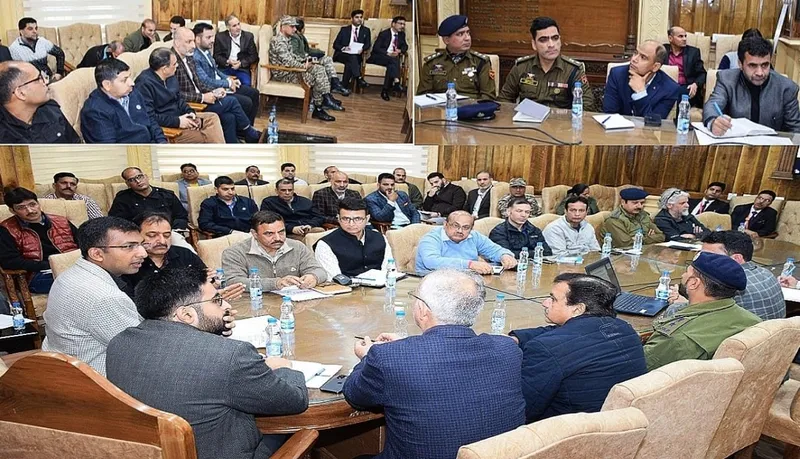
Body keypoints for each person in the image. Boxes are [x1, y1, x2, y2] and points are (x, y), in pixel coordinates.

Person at [107, 265, 308, 459]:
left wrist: (213, 332)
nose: (227, 306)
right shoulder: (232, 356)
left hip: (150, 451)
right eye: (217, 301)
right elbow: (295, 401)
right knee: (297, 427)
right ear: (186, 314)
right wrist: (284, 368)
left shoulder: (119, 343)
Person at [343, 269, 525, 459]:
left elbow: (354, 395)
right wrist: (403, 348)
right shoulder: (508, 350)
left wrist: (367, 356)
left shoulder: (387, 358)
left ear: (422, 310)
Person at [510, 273, 646, 422]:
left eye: (553, 299)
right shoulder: (625, 329)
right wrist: (517, 338)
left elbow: (522, 410)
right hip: (620, 423)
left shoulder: (546, 349)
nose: (545, 303)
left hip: (566, 430)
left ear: (578, 309)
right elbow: (562, 332)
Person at [41, 217, 146, 375]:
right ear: (97, 253)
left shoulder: (69, 274)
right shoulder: (105, 297)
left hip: (62, 367)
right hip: (95, 379)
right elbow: (143, 349)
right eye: (129, 246)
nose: (143, 253)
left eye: (141, 244)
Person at [643, 252, 761, 370]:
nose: (683, 275)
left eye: (686, 272)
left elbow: (638, 370)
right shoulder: (755, 322)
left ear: (693, 283)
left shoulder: (677, 339)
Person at [667, 231, 785, 321]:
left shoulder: (729, 284)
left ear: (737, 258)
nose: (702, 260)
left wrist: (680, 303)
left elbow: (692, 317)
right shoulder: (767, 273)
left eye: (710, 256)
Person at [171, 27, 261, 143]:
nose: (193, 45)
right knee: (233, 101)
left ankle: (234, 144)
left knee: (229, 117)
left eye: (193, 41)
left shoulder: (188, 58)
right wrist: (203, 97)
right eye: (189, 42)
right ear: (177, 43)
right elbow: (176, 95)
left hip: (203, 98)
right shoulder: (171, 63)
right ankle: (249, 132)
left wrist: (214, 91)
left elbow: (199, 83)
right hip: (192, 105)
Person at [704, 36, 800, 135]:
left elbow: (795, 131)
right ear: (740, 64)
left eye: (765, 65)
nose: (760, 73)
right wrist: (713, 122)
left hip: (772, 143)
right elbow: (712, 105)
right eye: (752, 65)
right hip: (735, 141)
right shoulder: (727, 80)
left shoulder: (787, 88)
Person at [499, 17, 594, 110]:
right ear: (534, 44)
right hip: (527, 118)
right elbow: (504, 100)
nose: (551, 45)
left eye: (555, 38)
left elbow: (587, 106)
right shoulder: (521, 67)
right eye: (543, 40)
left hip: (560, 120)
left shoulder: (573, 70)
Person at [135, 47, 225, 145]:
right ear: (164, 69)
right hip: (168, 127)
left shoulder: (170, 76)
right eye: (174, 64)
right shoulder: (144, 84)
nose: (177, 65)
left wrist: (190, 113)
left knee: (212, 118)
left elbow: (179, 99)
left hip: (181, 117)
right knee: (207, 136)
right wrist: (178, 122)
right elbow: (149, 117)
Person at [221, 211, 327, 290]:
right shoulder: (235, 252)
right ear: (254, 234)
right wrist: (276, 283)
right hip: (255, 303)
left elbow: (319, 271)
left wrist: (313, 277)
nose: (277, 238)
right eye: (269, 234)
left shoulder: (297, 247)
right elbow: (234, 281)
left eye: (281, 232)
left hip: (293, 303)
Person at [0, 187, 78, 294]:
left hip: (72, 266)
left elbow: (84, 243)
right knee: (73, 282)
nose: (30, 210)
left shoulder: (61, 221)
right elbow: (10, 261)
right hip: (36, 274)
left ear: (38, 203)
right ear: (12, 211)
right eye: (21, 208)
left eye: (32, 204)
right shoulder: (6, 229)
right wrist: (51, 265)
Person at [270, 16, 341, 121]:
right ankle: (320, 105)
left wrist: (305, 61)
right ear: (283, 27)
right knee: (315, 76)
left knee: (319, 69)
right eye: (292, 27)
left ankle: (323, 101)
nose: (295, 29)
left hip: (291, 70)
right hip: (284, 74)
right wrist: (303, 66)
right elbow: (287, 62)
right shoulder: (278, 41)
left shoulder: (286, 39)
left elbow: (292, 57)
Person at [80, 58, 167, 143]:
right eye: (124, 80)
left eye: (129, 77)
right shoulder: (95, 111)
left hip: (150, 145)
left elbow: (150, 120)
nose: (132, 83)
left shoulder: (132, 93)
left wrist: (162, 142)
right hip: (129, 151)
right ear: (107, 85)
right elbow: (109, 148)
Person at [121, 212, 207, 291]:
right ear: (137, 236)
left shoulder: (185, 254)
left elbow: (207, 280)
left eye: (167, 235)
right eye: (152, 235)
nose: (162, 241)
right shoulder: (129, 262)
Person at [193, 23, 260, 125]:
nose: (212, 40)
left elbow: (216, 71)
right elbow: (206, 81)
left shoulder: (206, 51)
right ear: (198, 39)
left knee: (254, 93)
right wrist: (227, 83)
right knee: (247, 102)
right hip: (214, 89)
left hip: (222, 84)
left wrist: (229, 79)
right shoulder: (195, 57)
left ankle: (248, 127)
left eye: (212, 37)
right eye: (208, 37)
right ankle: (245, 129)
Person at [314, 197, 393, 281]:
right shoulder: (325, 245)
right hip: (347, 288)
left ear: (367, 219)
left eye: (357, 219)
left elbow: (389, 269)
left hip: (381, 286)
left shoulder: (380, 238)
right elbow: (335, 279)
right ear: (338, 219)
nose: (351, 224)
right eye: (345, 219)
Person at [417, 15, 495, 99]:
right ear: (446, 40)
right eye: (460, 34)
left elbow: (488, 96)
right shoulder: (432, 63)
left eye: (468, 33)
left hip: (471, 105)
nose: (467, 38)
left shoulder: (480, 62)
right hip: (440, 106)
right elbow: (423, 96)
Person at [0, 61, 80, 143]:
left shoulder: (50, 109)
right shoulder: (4, 136)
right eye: (39, 79)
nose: (46, 81)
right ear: (21, 93)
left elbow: (75, 144)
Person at [416, 210, 517, 274]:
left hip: (466, 280)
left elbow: (494, 250)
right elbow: (431, 261)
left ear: (471, 228)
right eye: (455, 226)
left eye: (466, 227)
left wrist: (504, 256)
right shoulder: (431, 238)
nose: (460, 231)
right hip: (433, 282)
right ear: (445, 224)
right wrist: (470, 264)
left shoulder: (474, 236)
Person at [603, 40, 680, 119]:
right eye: (635, 53)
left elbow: (653, 122)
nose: (634, 59)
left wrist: (640, 93)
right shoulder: (617, 74)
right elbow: (609, 114)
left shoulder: (670, 89)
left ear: (655, 67)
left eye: (643, 57)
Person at [109, 167, 189, 235]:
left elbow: (181, 216)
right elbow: (116, 221)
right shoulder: (123, 198)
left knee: (183, 248)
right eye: (132, 180)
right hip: (138, 235)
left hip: (168, 233)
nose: (138, 181)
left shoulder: (167, 195)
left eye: (139, 177)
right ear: (128, 184)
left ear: (146, 177)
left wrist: (172, 232)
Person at [290, 19, 350, 97]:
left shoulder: (300, 36)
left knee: (327, 59)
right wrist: (310, 56)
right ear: (302, 29)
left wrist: (319, 51)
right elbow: (296, 53)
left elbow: (306, 49)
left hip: (306, 57)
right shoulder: (295, 38)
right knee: (325, 62)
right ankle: (332, 87)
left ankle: (334, 83)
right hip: (304, 60)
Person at [599, 187, 664, 247]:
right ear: (623, 202)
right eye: (635, 203)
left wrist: (638, 239)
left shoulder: (643, 215)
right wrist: (651, 238)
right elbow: (626, 244)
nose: (640, 206)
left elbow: (661, 236)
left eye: (642, 203)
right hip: (620, 254)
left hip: (644, 250)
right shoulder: (614, 219)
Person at [662, 26, 706, 107]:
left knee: (680, 95)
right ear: (670, 38)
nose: (684, 39)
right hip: (666, 86)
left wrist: (695, 84)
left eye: (685, 36)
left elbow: (702, 73)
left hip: (686, 87)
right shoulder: (663, 50)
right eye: (680, 36)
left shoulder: (693, 52)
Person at [367, 16, 407, 101]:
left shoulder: (402, 34)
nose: (402, 26)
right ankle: (396, 82)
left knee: (391, 65)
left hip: (390, 60)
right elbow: (376, 48)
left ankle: (385, 91)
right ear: (393, 24)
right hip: (378, 57)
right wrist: (388, 53)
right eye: (400, 24)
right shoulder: (384, 34)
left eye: (404, 24)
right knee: (393, 60)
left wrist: (400, 50)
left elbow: (405, 46)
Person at [213, 14, 258, 87]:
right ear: (228, 28)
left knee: (246, 85)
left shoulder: (248, 37)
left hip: (241, 69)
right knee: (218, 83)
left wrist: (241, 63)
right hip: (225, 68)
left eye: (238, 24)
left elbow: (254, 56)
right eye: (234, 26)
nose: (238, 27)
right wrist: (228, 61)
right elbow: (216, 56)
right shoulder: (220, 37)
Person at [333, 9, 372, 91]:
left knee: (350, 62)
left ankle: (344, 87)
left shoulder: (366, 30)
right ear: (352, 19)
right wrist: (344, 48)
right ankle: (359, 78)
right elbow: (335, 44)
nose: (359, 19)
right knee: (351, 58)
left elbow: (368, 44)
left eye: (361, 17)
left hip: (357, 55)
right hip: (342, 54)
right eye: (357, 17)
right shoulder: (344, 30)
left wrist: (362, 49)